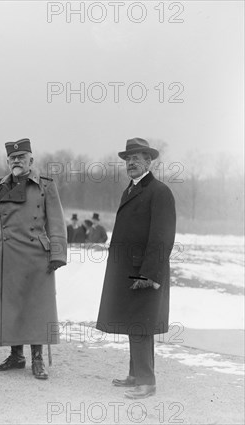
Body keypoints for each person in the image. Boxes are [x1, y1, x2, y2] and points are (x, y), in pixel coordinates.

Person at [0, 138, 67, 380]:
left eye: (22, 157)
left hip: (37, 255)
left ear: (31, 161)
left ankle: (37, 359)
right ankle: (16, 356)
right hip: (6, 255)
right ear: (7, 161)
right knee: (10, 306)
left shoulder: (45, 186)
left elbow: (57, 222)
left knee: (36, 307)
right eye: (12, 158)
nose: (17, 161)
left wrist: (58, 253)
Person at [96, 138, 176, 399]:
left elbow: (162, 238)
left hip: (145, 272)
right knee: (134, 323)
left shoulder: (159, 191)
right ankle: (135, 375)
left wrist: (149, 274)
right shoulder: (130, 190)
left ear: (149, 162)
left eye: (137, 158)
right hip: (126, 270)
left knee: (142, 325)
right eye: (128, 158)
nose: (131, 162)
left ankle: (147, 382)